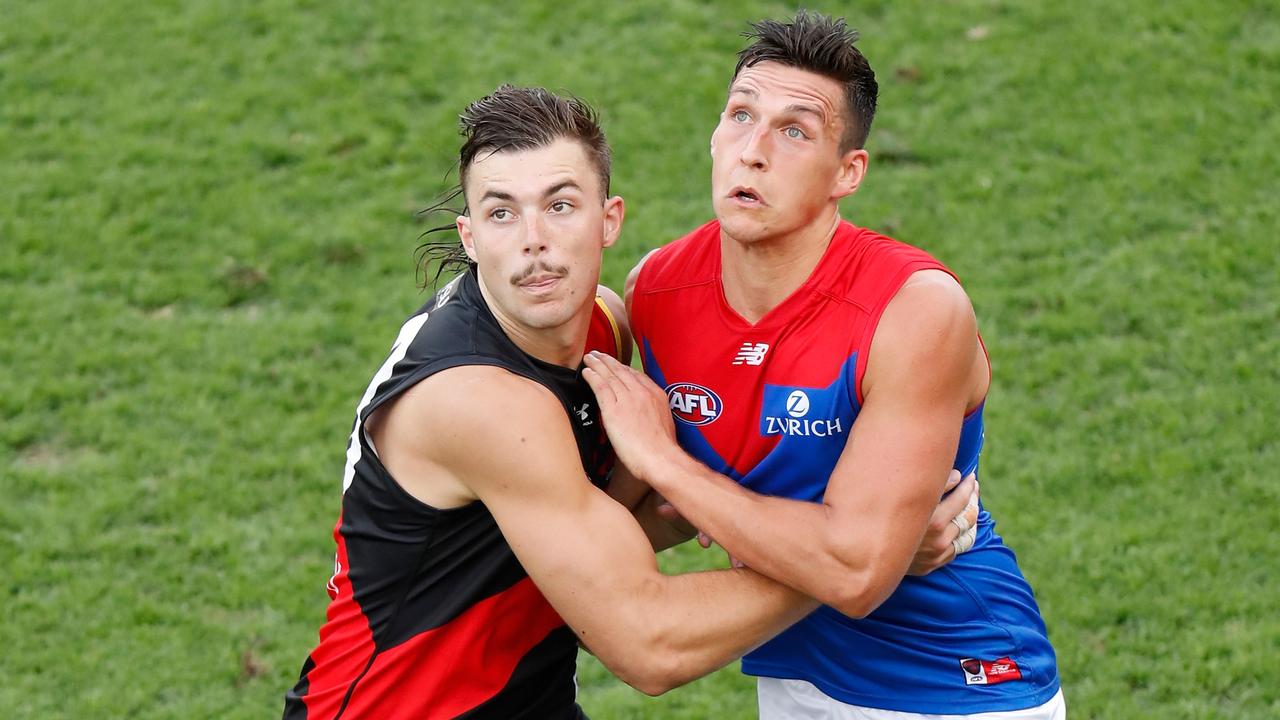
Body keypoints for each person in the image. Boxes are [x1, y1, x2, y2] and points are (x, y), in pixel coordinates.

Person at [282, 85, 972, 720]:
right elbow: (649, 645)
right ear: (471, 238)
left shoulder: (600, 335)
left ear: (608, 220)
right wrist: (865, 557)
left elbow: (604, 530)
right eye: (501, 213)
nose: (533, 242)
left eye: (559, 205)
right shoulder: (478, 401)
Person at [583, 11, 1064, 719]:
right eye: (740, 116)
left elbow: (858, 572)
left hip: (956, 681)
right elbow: (659, 520)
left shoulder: (914, 311)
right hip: (793, 676)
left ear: (848, 172)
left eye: (794, 131)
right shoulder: (656, 291)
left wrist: (667, 463)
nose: (752, 151)